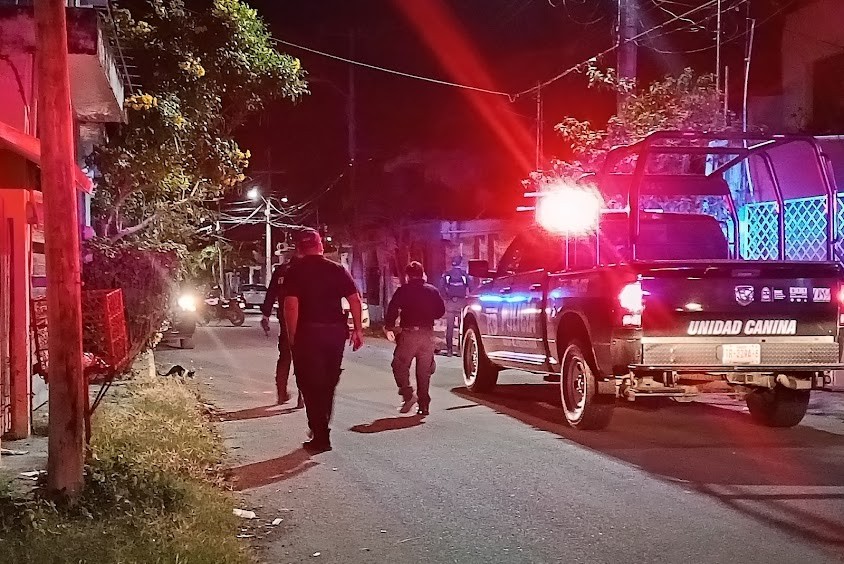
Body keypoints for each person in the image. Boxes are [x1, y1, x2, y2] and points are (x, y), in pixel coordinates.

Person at [282, 229, 364, 453]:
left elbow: (291, 306)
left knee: (310, 384)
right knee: (328, 383)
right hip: (335, 334)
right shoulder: (337, 269)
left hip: (308, 334)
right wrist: (358, 330)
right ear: (320, 246)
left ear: (299, 248)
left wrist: (293, 337)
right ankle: (322, 427)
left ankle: (320, 434)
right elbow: (355, 299)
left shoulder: (294, 271)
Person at [385, 261, 446, 416]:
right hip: (427, 335)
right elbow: (440, 311)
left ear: (408, 276)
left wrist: (389, 326)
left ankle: (408, 395)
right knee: (423, 372)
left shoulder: (403, 290)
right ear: (422, 274)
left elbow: (392, 309)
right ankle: (423, 406)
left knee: (399, 365)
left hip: (409, 335)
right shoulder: (432, 291)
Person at [260, 256, 303, 407]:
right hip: (307, 321)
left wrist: (266, 315)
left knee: (285, 356)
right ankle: (302, 395)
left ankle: (281, 393)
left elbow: (271, 294)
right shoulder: (310, 269)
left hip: (286, 319)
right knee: (304, 358)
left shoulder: (281, 270)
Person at [440, 255, 469, 356]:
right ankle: (460, 350)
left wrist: (447, 298)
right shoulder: (464, 275)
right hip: (462, 302)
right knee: (462, 327)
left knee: (450, 328)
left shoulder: (447, 274)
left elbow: (441, 287)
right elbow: (471, 287)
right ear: (461, 263)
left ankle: (449, 350)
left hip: (450, 303)